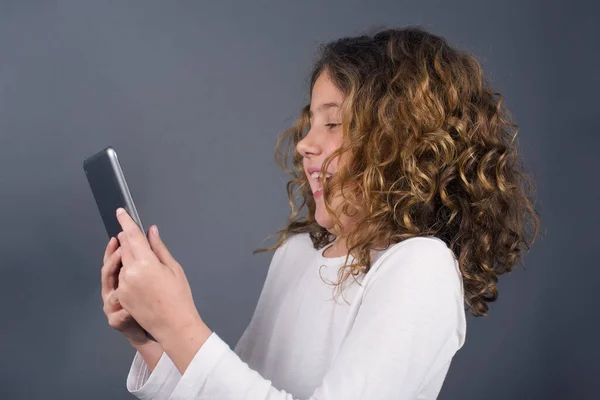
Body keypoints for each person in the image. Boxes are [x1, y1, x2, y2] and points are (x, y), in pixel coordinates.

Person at [100, 27, 539, 399]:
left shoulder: (421, 268)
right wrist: (153, 337)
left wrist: (179, 323)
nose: (306, 143)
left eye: (332, 124)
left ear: (401, 144)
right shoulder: (296, 256)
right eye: (310, 122)